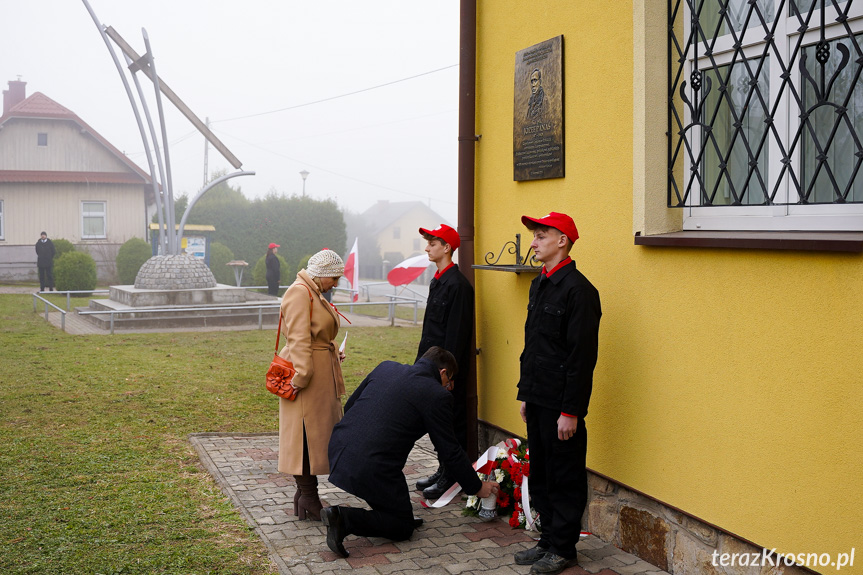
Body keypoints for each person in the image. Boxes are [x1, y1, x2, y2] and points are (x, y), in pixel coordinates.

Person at [322, 346, 499, 557]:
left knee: (398, 512)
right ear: (442, 373)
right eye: (449, 381)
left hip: (339, 448)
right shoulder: (435, 395)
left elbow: (351, 405)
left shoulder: (386, 367)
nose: (449, 387)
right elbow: (450, 450)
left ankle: (394, 515)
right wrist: (477, 487)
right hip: (373, 467)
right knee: (402, 527)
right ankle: (342, 518)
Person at [513, 212, 601, 575]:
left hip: (561, 404)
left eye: (541, 235)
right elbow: (532, 344)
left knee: (564, 475)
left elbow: (581, 358)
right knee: (544, 473)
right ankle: (547, 539)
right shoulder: (540, 284)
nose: (533, 242)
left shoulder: (580, 291)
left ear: (562, 240)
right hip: (537, 397)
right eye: (534, 235)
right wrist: (524, 392)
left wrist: (571, 410)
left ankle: (564, 548)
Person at [277, 248, 347, 521]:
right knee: (304, 437)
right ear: (322, 275)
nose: (336, 283)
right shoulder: (300, 292)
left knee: (312, 436)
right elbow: (298, 339)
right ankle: (307, 496)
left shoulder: (313, 292)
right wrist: (302, 376)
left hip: (317, 374)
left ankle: (306, 495)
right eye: (335, 278)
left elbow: (315, 335)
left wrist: (331, 350)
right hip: (307, 378)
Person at [413, 224, 475, 500]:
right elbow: (431, 330)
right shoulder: (438, 280)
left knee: (451, 422)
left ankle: (453, 476)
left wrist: (446, 375)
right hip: (430, 366)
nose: (427, 247)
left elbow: (456, 336)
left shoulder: (458, 285)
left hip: (445, 372)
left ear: (447, 247)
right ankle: (443, 469)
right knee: (438, 422)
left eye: (432, 243)